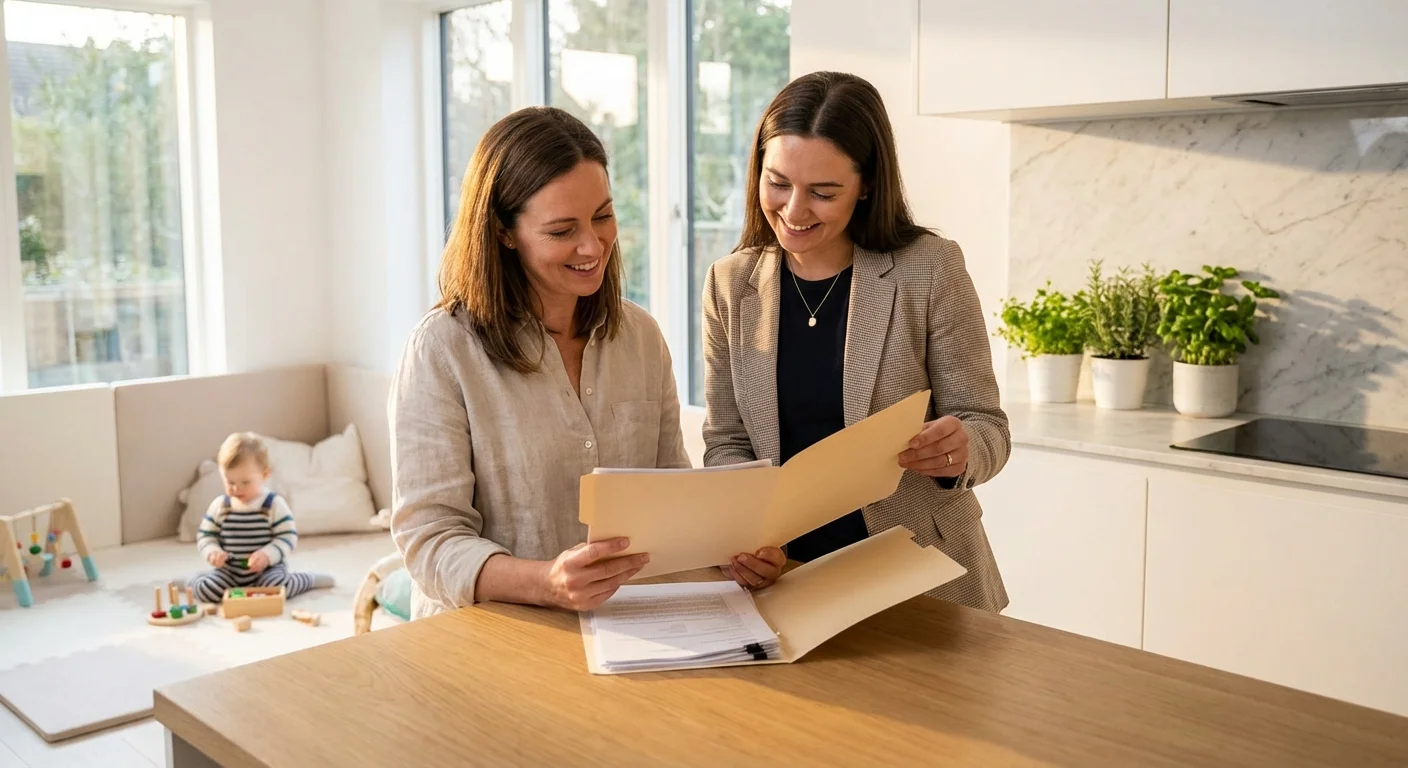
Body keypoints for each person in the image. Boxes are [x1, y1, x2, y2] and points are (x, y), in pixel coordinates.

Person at [703, 71, 1011, 612]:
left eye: (823, 193)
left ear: (866, 185)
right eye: (778, 183)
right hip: (787, 580)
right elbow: (727, 442)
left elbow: (988, 424)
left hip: (923, 578)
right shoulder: (730, 284)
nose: (794, 211)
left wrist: (962, 449)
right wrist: (739, 532)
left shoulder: (930, 268)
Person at [389, 106, 691, 620]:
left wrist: (731, 543)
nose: (592, 245)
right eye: (561, 230)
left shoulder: (640, 336)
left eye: (603, 216)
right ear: (504, 233)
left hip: (626, 629)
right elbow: (430, 541)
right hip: (488, 641)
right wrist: (547, 583)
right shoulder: (442, 351)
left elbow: (672, 493)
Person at [188, 432, 334, 603]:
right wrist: (213, 552)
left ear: (265, 475)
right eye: (230, 482)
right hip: (230, 571)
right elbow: (206, 536)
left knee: (277, 589)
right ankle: (194, 581)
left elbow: (287, 537)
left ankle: (308, 579)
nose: (236, 489)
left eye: (245, 482)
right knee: (206, 591)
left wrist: (267, 554)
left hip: (267, 571)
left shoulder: (273, 504)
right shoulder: (220, 506)